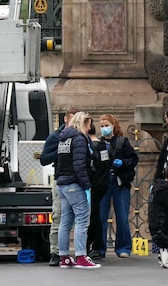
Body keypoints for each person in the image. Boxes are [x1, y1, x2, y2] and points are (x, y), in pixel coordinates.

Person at [55, 111, 100, 269]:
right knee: (82, 220)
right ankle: (81, 255)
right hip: (74, 184)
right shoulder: (79, 139)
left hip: (62, 184)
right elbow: (79, 165)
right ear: (84, 123)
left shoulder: (64, 139)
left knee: (65, 222)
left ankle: (64, 256)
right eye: (89, 125)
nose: (90, 129)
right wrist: (87, 185)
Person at [96, 113, 138, 258]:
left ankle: (123, 247)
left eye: (106, 125)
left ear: (113, 126)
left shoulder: (122, 141)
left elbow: (133, 159)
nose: (104, 128)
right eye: (102, 126)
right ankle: (99, 248)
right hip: (103, 183)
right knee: (101, 217)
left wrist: (123, 163)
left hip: (120, 182)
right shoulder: (98, 143)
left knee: (122, 216)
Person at [40, 107, 78, 266]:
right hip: (61, 180)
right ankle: (55, 252)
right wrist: (60, 152)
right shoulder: (55, 137)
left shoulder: (80, 136)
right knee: (58, 216)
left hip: (77, 181)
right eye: (73, 119)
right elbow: (44, 159)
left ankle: (82, 251)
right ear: (66, 119)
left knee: (81, 219)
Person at [86, 120, 109, 261]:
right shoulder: (102, 146)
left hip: (94, 185)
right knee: (95, 217)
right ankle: (96, 247)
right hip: (101, 184)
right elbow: (106, 165)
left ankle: (93, 246)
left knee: (92, 218)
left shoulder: (93, 146)